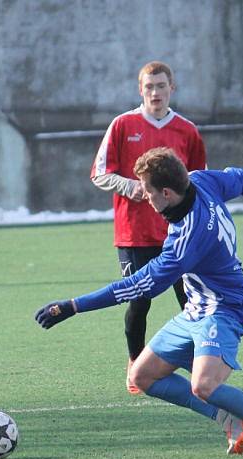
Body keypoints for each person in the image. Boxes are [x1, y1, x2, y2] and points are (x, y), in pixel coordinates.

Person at [38, 147, 243, 457]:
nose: (144, 197)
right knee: (142, 376)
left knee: (204, 386)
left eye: (147, 191)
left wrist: (74, 305)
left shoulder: (186, 240)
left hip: (223, 310)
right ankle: (228, 419)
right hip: (196, 308)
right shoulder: (200, 180)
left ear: (166, 192)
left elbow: (135, 285)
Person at [91, 61, 207, 395]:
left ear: (173, 88)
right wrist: (132, 187)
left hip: (179, 233)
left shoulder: (187, 130)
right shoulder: (123, 125)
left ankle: (200, 364)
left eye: (161, 86)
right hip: (135, 234)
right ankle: (135, 362)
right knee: (139, 300)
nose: (155, 93)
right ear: (140, 90)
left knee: (192, 300)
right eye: (149, 87)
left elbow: (199, 180)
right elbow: (99, 172)